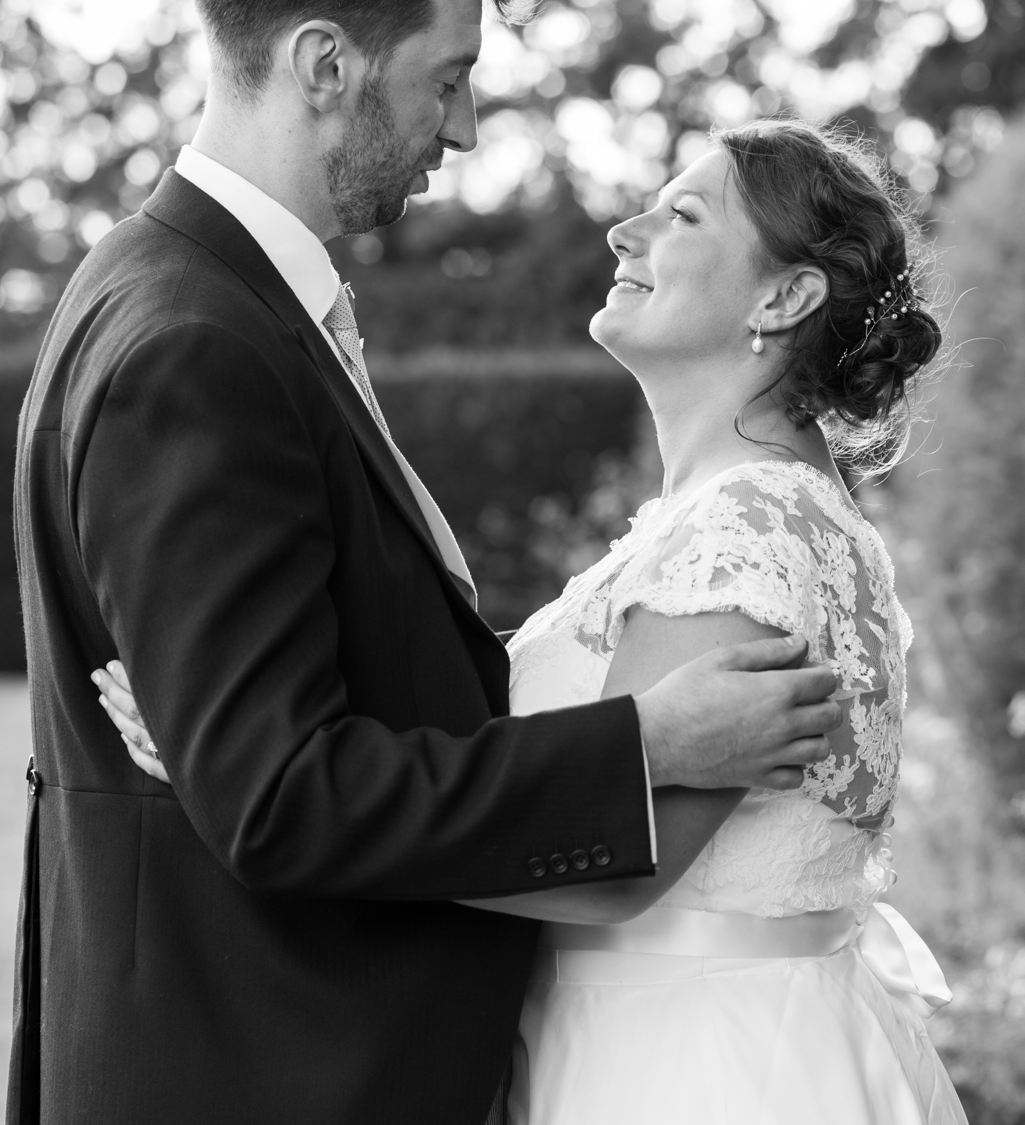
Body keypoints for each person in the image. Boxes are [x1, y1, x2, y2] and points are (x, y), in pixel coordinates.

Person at [8, 0, 845, 1125]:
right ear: (325, 64)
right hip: (262, 1072)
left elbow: (305, 730)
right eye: (445, 80)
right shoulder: (198, 345)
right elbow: (280, 798)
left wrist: (222, 763)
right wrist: (648, 741)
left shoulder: (169, 291)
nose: (459, 129)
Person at [94, 117, 969, 1123]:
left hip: (693, 1070)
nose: (623, 231)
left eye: (680, 213)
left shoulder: (748, 530)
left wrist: (255, 793)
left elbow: (611, 865)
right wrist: (257, 753)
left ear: (783, 295)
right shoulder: (742, 514)